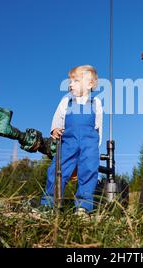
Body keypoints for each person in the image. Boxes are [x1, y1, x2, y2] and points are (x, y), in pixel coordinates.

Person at [40, 65, 103, 215]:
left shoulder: (96, 103)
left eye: (75, 81)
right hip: (68, 143)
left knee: (89, 171)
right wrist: (55, 129)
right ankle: (49, 204)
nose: (70, 84)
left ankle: (83, 207)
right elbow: (58, 119)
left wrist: (95, 147)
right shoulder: (66, 101)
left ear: (89, 84)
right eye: (70, 81)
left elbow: (99, 126)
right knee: (57, 170)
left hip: (89, 144)